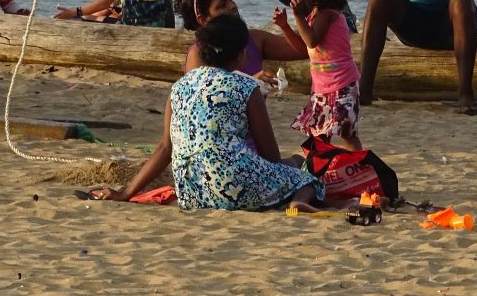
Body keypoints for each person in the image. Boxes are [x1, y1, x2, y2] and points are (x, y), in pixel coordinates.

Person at [96, 13, 324, 211]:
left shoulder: (179, 86)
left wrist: (126, 193)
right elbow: (271, 157)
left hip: (192, 194)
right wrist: (294, 163)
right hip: (235, 188)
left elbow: (165, 148)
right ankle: (297, 202)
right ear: (241, 54)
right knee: (306, 177)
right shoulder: (246, 87)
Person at [285, 0, 362, 151]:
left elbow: (311, 40)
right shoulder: (315, 14)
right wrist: (285, 27)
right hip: (322, 88)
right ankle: (316, 169)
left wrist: (298, 16)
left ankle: (363, 166)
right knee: (318, 132)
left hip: (341, 86)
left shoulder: (328, 15)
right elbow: (303, 49)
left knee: (346, 133)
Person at [177, 0, 307, 80]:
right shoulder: (198, 54)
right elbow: (201, 101)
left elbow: (305, 51)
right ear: (203, 20)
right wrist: (251, 82)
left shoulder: (254, 40)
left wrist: (287, 25)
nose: (233, 5)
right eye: (222, 5)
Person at [55, 0, 173, 27]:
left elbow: (104, 2)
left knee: (85, 18)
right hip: (160, 26)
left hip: (133, 29)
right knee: (106, 13)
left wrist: (72, 12)